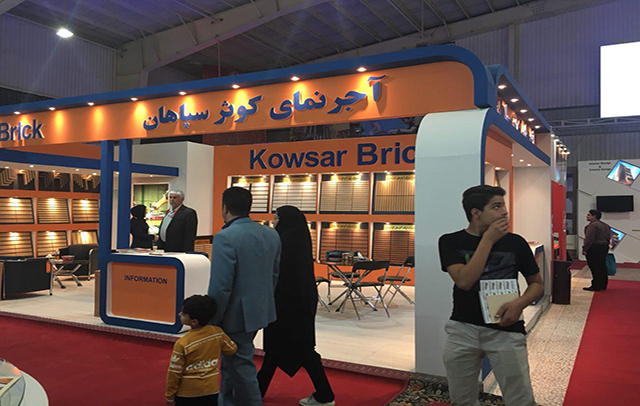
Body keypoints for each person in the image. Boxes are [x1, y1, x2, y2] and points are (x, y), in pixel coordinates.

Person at [438, 185, 543, 406]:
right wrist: (488, 240)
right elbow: (464, 281)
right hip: (463, 329)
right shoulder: (450, 241)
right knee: (462, 399)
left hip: (506, 330)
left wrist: (519, 304)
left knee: (520, 399)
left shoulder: (516, 243)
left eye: (503, 205)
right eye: (496, 206)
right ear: (476, 212)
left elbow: (537, 284)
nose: (504, 211)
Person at [208, 187, 281, 406]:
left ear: (224, 208)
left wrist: (213, 318)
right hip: (260, 309)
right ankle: (227, 401)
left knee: (240, 364)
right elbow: (274, 274)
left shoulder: (225, 237)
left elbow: (221, 285)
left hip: (235, 314)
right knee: (232, 361)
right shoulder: (271, 233)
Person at [257, 206, 335, 406]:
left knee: (290, 349)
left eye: (276, 218)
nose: (273, 222)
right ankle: (257, 391)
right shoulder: (299, 240)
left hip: (286, 305)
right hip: (299, 304)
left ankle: (325, 395)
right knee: (290, 349)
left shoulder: (284, 242)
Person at [166, 295, 238, 406]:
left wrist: (169, 396)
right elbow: (232, 349)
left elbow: (174, 373)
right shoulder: (218, 333)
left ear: (194, 322)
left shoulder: (182, 344)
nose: (179, 314)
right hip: (211, 390)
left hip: (187, 393)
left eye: (183, 314)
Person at [582, 209, 611, 291]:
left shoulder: (592, 226)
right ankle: (603, 284)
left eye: (589, 215)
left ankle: (596, 285)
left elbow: (589, 238)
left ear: (594, 216)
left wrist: (585, 248)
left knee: (594, 267)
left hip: (594, 247)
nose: (587, 216)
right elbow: (609, 238)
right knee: (602, 266)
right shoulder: (606, 225)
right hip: (604, 247)